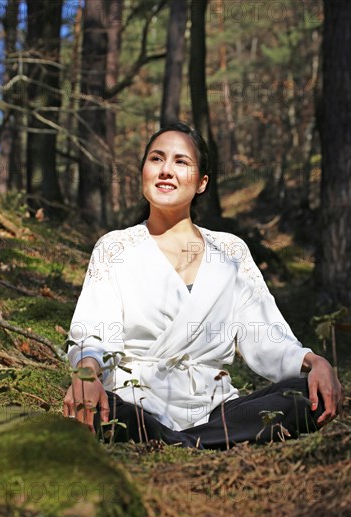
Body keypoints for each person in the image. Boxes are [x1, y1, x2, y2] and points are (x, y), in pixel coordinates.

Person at [63, 122, 342, 449]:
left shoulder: (231, 251)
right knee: (101, 410)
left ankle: (175, 442)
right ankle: (197, 441)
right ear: (142, 172)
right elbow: (94, 330)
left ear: (202, 182)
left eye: (181, 162)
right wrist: (87, 376)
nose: (166, 170)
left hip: (217, 409)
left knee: (305, 395)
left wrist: (314, 362)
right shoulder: (115, 247)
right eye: (156, 159)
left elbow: (265, 336)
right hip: (136, 404)